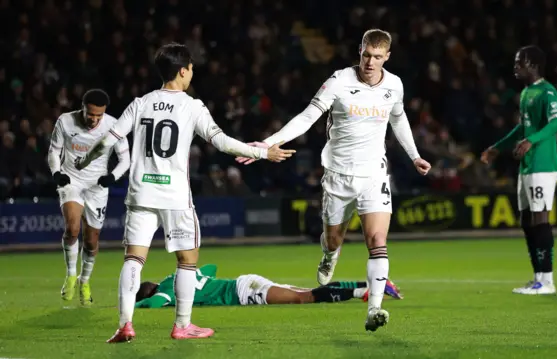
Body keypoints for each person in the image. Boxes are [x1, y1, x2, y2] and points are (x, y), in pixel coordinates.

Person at [75, 43, 295, 343]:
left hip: (141, 194)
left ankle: (125, 325)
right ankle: (182, 325)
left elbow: (107, 140)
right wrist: (261, 153)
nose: (192, 73)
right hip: (175, 197)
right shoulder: (192, 106)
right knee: (187, 260)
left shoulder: (140, 102)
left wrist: (86, 162)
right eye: (191, 68)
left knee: (133, 259)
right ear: (182, 70)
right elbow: (223, 143)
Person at [236, 29, 431, 331]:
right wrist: (269, 142)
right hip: (339, 175)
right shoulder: (339, 81)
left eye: (377, 57)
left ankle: (374, 309)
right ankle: (329, 254)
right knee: (334, 239)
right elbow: (307, 116)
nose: (370, 62)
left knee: (377, 241)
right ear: (360, 51)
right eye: (366, 54)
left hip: (373, 174)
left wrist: (414, 155)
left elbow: (398, 117)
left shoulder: (394, 85)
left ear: (387, 57)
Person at [481, 45, 557, 295]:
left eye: (520, 62)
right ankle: (537, 277)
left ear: (533, 64)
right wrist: (498, 147)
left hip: (543, 164)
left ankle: (547, 280)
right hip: (527, 166)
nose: (515, 67)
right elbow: (522, 129)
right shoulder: (527, 92)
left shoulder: (547, 92)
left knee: (540, 218)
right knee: (527, 220)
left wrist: (532, 141)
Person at [47, 89, 130, 306]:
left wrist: (112, 177)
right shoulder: (65, 121)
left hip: (97, 186)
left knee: (92, 241)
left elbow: (125, 160)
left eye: (98, 116)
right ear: (82, 108)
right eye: (90, 114)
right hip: (71, 181)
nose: (94, 120)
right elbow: (54, 151)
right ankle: (71, 275)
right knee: (72, 229)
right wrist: (57, 173)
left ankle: (85, 281)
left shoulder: (113, 125)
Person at [135, 264, 403, 309]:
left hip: (245, 292)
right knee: (306, 292)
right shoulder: (177, 276)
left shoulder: (166, 291)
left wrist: (137, 304)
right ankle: (375, 284)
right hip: (246, 282)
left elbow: (157, 303)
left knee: (306, 297)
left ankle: (363, 292)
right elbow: (210, 268)